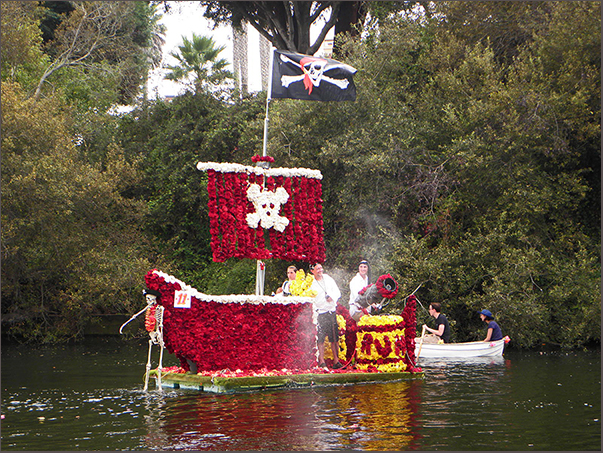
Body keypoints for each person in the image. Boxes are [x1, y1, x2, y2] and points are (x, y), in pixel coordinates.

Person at [310, 263, 343, 369]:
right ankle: (322, 361)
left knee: (334, 337)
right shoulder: (311, 283)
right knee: (320, 338)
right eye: (317, 269)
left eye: (320, 268)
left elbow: (337, 292)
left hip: (331, 311)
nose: (320, 270)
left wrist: (332, 297)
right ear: (312, 271)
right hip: (320, 313)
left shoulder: (328, 279)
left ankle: (336, 361)